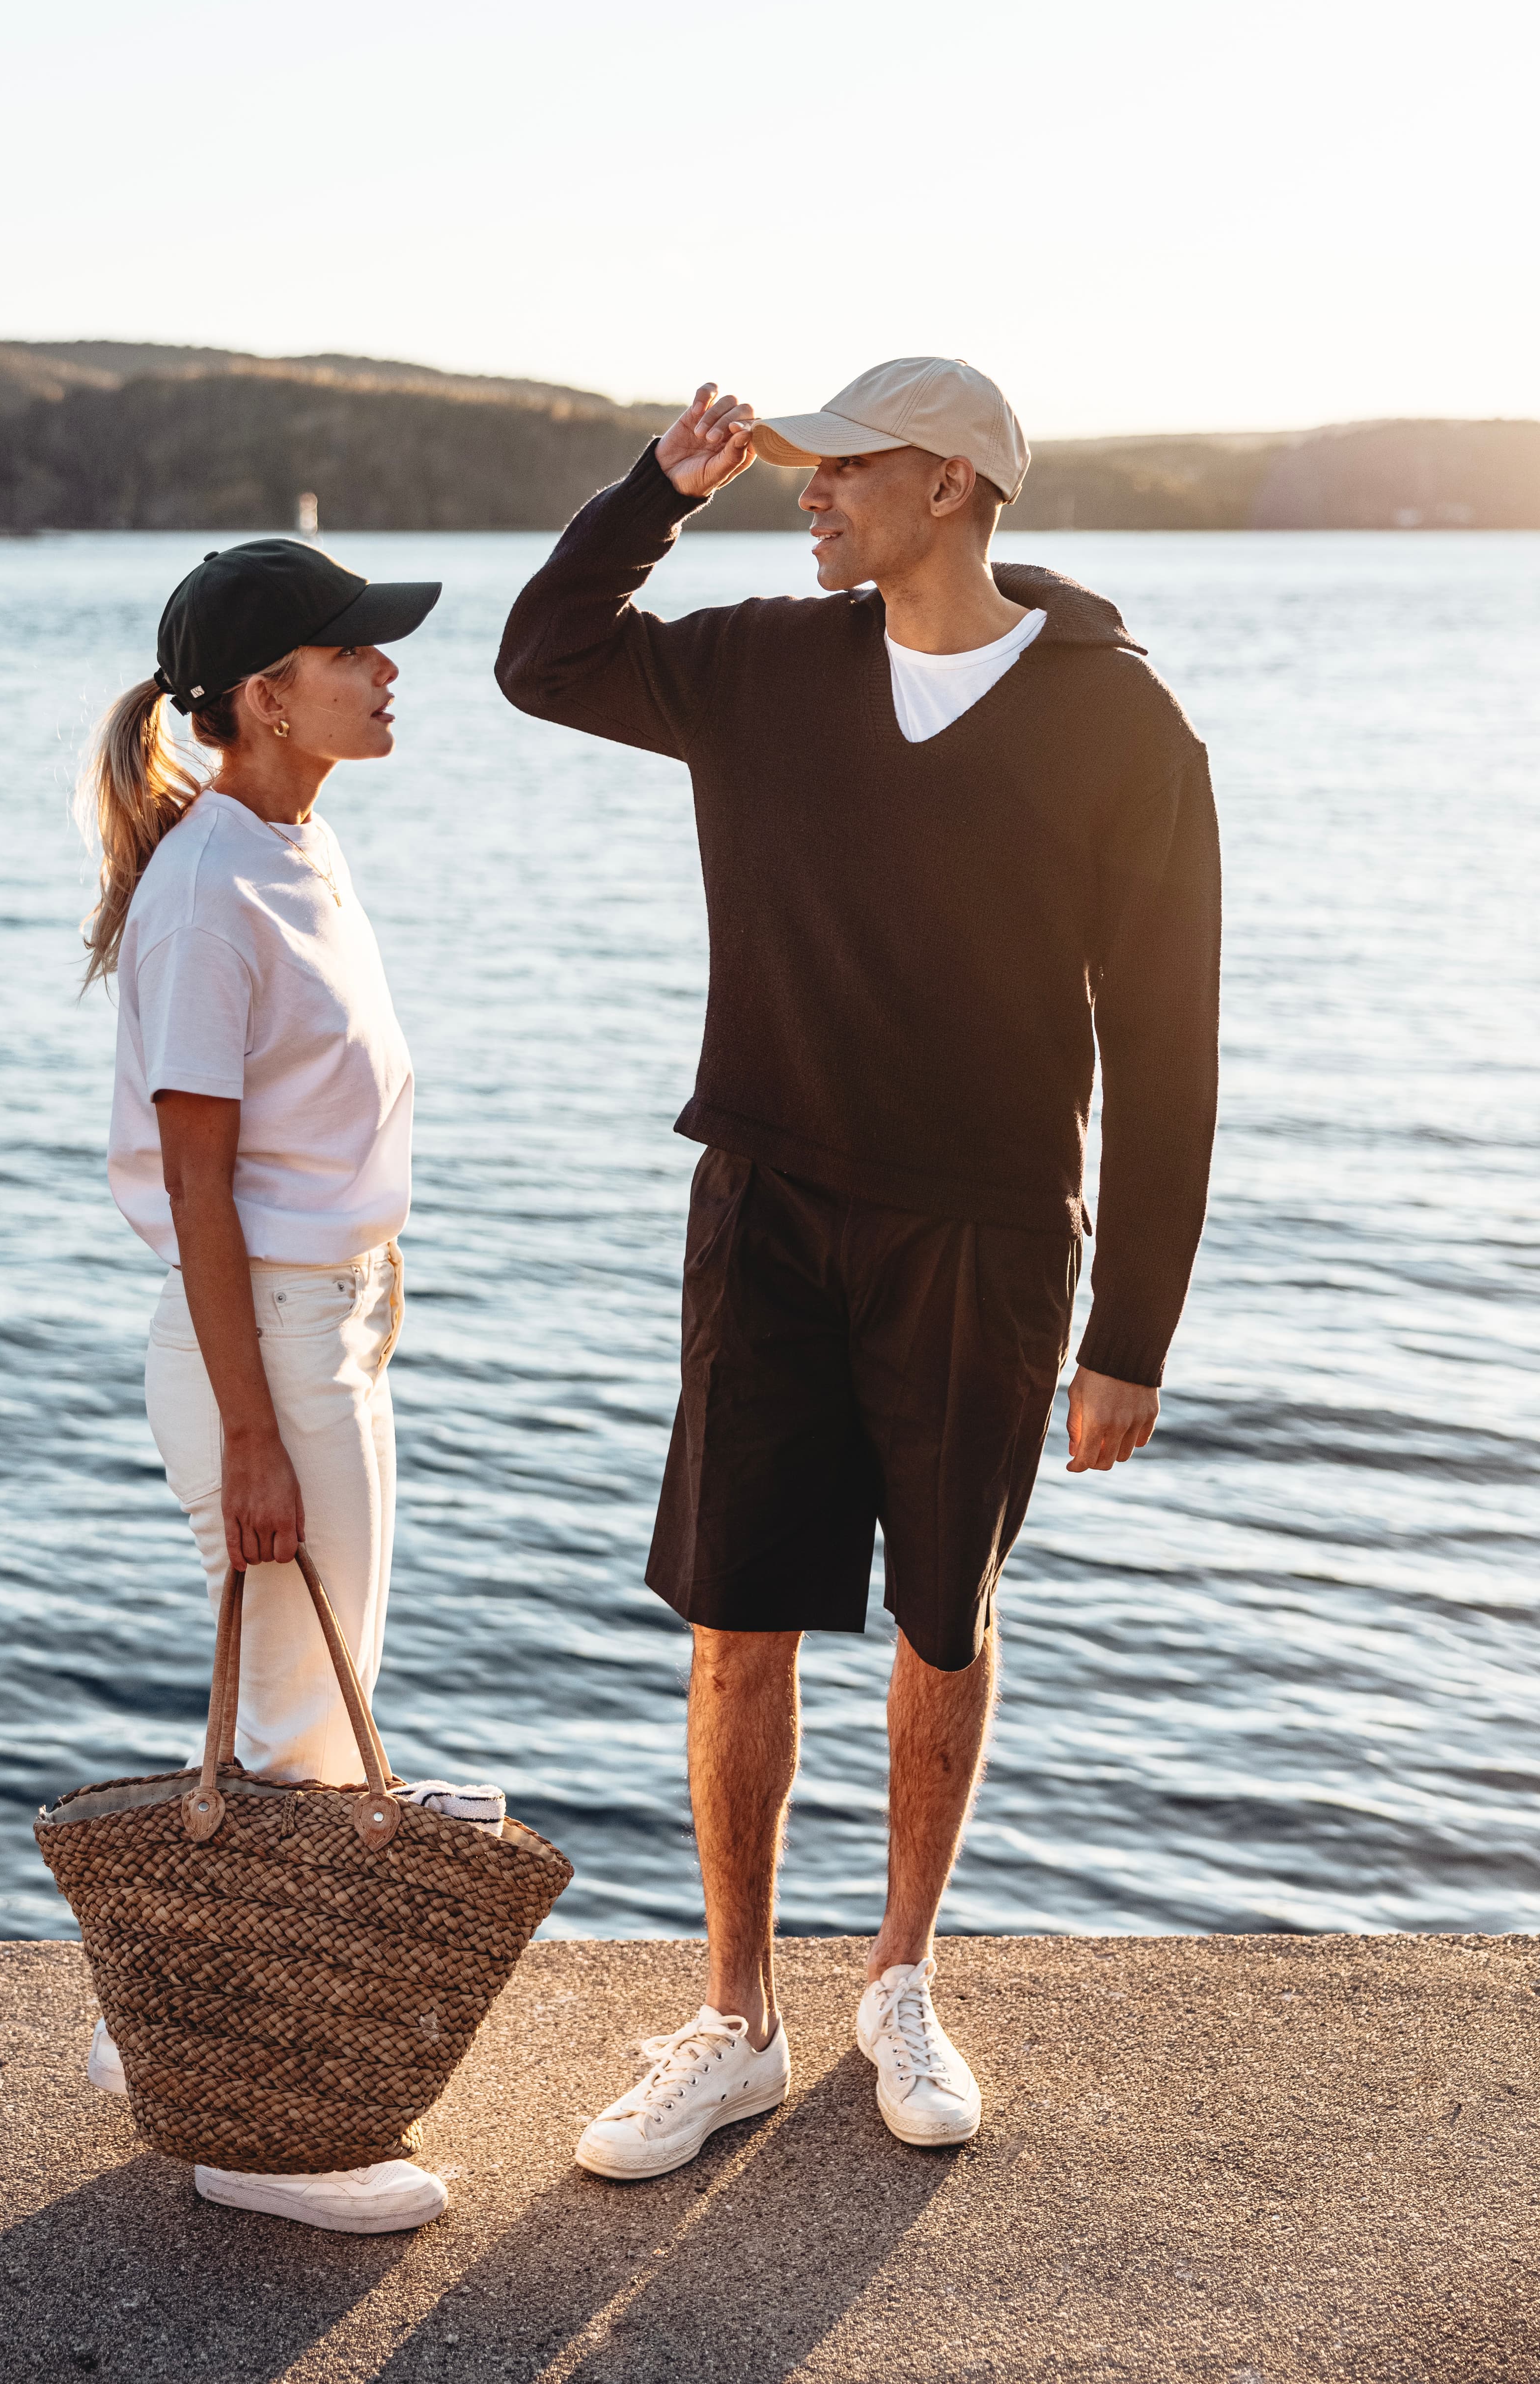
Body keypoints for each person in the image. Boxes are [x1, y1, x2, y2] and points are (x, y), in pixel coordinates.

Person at [497, 358, 1220, 2176]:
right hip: (770, 1203)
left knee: (940, 1619)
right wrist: (656, 488)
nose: (802, 492)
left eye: (839, 469)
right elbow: (543, 656)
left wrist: (1131, 1332)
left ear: (958, 488)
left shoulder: (1121, 727)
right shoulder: (758, 665)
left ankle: (900, 1976)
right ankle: (737, 2016)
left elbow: (1171, 1042)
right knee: (742, 1615)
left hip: (983, 1233)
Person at [76, 532, 449, 2235]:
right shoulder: (210, 887)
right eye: (355, 652)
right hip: (269, 1349)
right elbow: (202, 1189)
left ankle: (151, 2023)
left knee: (287, 1697)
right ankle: (267, 2138)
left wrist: (371, 1289)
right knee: (309, 1739)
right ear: (262, 697)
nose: (387, 672)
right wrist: (253, 1434)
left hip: (324, 1324)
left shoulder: (296, 841)